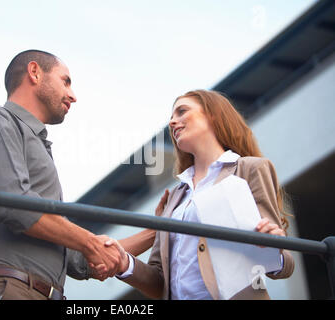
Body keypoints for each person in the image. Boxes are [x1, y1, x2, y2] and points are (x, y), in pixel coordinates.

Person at [0, 49, 122, 300]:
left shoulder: (39, 147)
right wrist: (90, 242)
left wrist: (161, 230)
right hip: (9, 290)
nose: (73, 96)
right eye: (65, 81)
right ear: (34, 72)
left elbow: (79, 260)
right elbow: (14, 204)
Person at [106, 89, 295, 300]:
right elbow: (161, 282)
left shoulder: (249, 169)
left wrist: (272, 249)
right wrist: (126, 264)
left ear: (212, 114)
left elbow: (284, 261)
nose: (172, 122)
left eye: (182, 111)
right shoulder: (176, 197)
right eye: (171, 117)